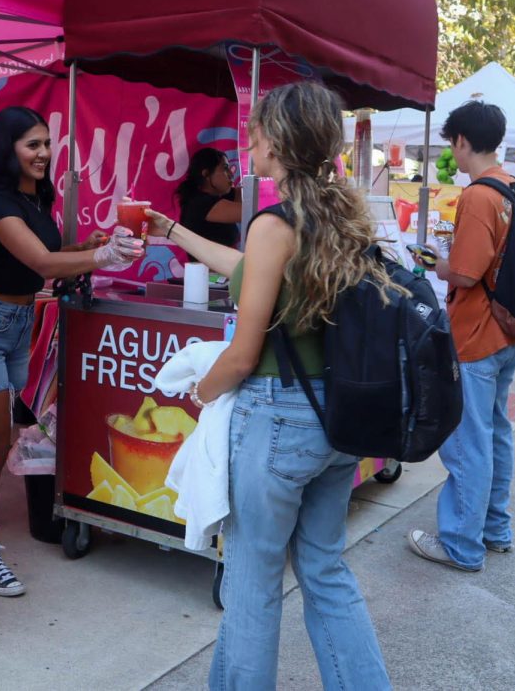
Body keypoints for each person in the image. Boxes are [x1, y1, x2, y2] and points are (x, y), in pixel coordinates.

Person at [147, 81, 392, 690]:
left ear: (278, 143)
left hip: (278, 419)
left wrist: (200, 391)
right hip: (337, 419)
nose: (248, 140)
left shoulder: (271, 223)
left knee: (252, 588)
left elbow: (242, 353)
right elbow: (251, 272)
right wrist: (172, 231)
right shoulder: (339, 215)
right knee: (324, 571)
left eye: (257, 130)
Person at [0, 106, 144, 597]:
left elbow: (55, 255)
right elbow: (43, 262)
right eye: (32, 145)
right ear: (9, 149)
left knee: (2, 437)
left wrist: (91, 243)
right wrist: (104, 256)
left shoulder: (35, 199)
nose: (43, 153)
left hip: (19, 324)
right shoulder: (0, 205)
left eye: (46, 143)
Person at [407, 100, 515, 573]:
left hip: (476, 333)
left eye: (450, 143)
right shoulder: (514, 188)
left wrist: (434, 263)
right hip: (508, 330)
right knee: (495, 433)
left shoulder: (478, 196)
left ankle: (461, 544)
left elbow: (466, 273)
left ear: (460, 141)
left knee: (468, 441)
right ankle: (495, 529)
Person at [175, 147, 242, 254]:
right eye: (225, 168)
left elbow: (251, 194)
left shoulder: (219, 196)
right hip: (207, 270)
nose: (231, 173)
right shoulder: (199, 204)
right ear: (206, 174)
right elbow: (251, 210)